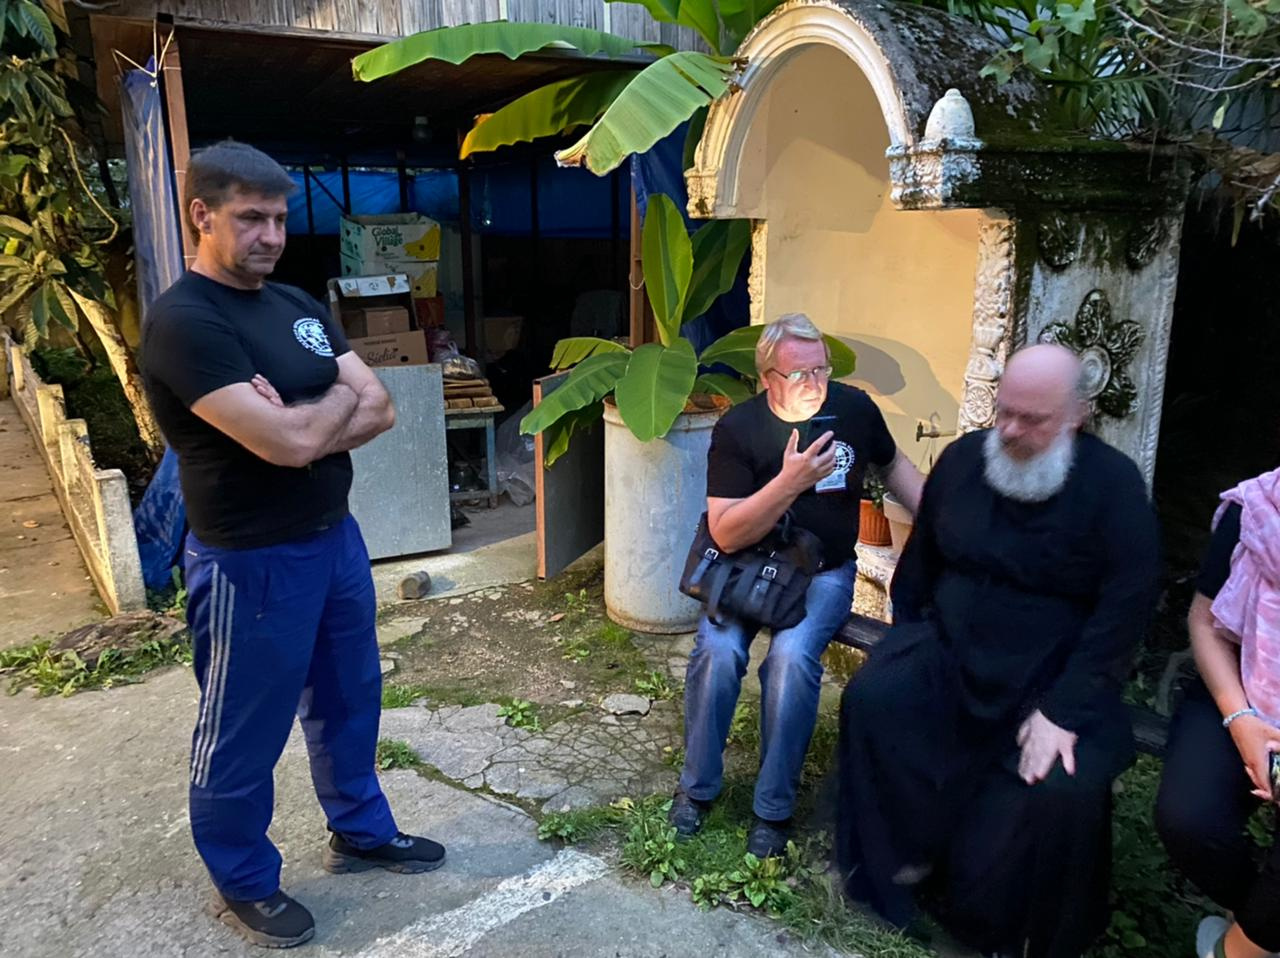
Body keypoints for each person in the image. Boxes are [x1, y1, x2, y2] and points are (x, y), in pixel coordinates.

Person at [141, 141, 444, 949]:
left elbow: (381, 405)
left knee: (351, 699)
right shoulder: (186, 322)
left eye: (279, 219)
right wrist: (323, 409)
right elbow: (290, 443)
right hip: (249, 561)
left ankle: (360, 830)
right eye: (251, 219)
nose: (271, 236)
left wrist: (304, 415)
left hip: (333, 539)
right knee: (244, 729)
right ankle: (243, 879)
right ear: (202, 215)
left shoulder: (296, 305)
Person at [835, 344, 1160, 958]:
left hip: (1054, 677)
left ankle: (996, 924)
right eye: (1003, 412)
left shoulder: (1113, 486)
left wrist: (1063, 711)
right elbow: (920, 566)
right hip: (950, 654)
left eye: (1031, 419)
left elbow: (1125, 611)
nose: (1008, 431)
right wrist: (909, 645)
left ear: (1076, 416)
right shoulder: (964, 460)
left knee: (1057, 786)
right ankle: (899, 864)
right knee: (875, 699)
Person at [670, 313, 923, 858]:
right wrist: (789, 483)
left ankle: (773, 808)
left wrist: (950, 519)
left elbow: (895, 466)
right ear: (767, 378)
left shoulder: (854, 409)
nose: (815, 383)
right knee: (717, 652)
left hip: (822, 571)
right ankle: (696, 788)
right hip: (745, 567)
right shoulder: (738, 428)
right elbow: (726, 531)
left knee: (790, 661)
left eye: (821, 369)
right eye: (799, 374)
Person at [1155, 468, 1280, 958]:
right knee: (1189, 819)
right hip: (1242, 683)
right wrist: (1242, 722)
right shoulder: (1255, 510)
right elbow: (1205, 622)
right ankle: (1253, 916)